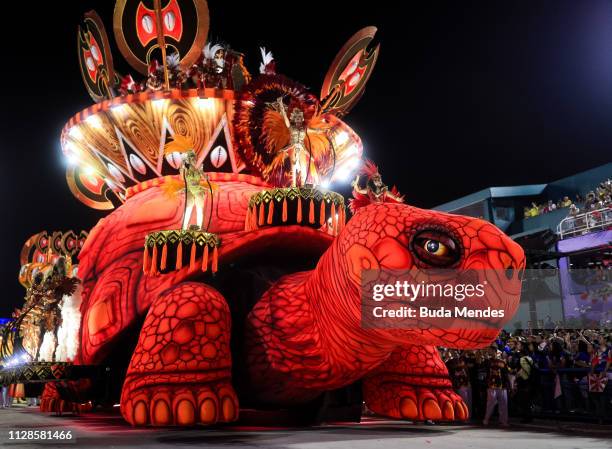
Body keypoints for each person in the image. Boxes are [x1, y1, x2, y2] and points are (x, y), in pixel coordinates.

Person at [483, 346, 510, 426]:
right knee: (490, 404)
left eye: (490, 351)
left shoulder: (502, 362)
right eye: (488, 351)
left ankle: (504, 421)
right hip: (491, 386)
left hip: (502, 386)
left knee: (503, 404)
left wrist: (508, 385)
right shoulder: (487, 361)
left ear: (495, 351)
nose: (489, 352)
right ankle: (486, 419)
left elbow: (506, 374)